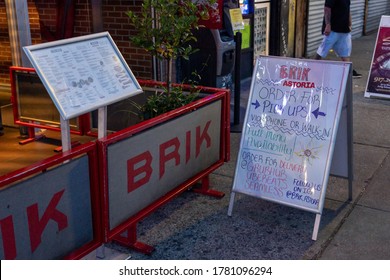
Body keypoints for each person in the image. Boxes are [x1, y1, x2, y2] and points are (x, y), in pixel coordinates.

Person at [315, 0, 362, 78]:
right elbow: (327, 8)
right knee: (323, 50)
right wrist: (328, 25)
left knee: (345, 52)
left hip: (344, 29)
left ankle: (349, 71)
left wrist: (349, 22)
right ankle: (313, 66)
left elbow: (347, 9)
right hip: (333, 29)